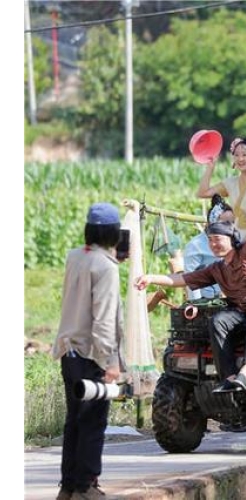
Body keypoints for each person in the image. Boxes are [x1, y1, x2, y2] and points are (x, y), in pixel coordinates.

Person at [135, 220, 246, 393]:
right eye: (210, 241)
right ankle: (229, 376)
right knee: (218, 320)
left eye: (218, 239)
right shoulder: (216, 268)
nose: (214, 244)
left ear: (232, 238)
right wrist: (150, 278)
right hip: (242, 312)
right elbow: (182, 279)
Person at [51, 202, 126, 500]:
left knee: (74, 422)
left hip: (68, 351)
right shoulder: (106, 267)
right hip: (91, 354)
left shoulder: (76, 257)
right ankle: (86, 487)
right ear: (113, 233)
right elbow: (104, 317)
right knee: (93, 421)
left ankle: (68, 486)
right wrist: (110, 361)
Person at [196, 136, 246, 241]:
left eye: (244, 155)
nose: (240, 159)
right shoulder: (230, 182)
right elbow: (202, 193)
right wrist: (210, 167)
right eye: (236, 155)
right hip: (235, 237)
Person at [182, 194, 235, 300]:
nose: (230, 227)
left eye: (232, 222)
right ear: (212, 224)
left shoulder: (234, 241)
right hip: (206, 301)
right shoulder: (195, 246)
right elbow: (192, 281)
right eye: (225, 223)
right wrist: (197, 306)